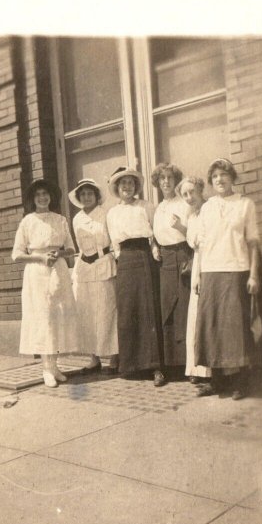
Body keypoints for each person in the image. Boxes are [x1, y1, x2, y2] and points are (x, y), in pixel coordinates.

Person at [194, 158, 260, 399]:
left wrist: (253, 274)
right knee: (212, 328)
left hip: (236, 269)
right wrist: (199, 275)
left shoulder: (245, 205)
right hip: (210, 271)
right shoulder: (207, 207)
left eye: (224, 175)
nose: (219, 180)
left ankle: (241, 382)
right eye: (215, 177)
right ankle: (217, 381)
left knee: (235, 329)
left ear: (233, 178)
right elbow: (201, 244)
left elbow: (253, 242)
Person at [12, 178, 79, 387]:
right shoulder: (28, 222)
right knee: (43, 318)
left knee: (57, 317)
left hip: (58, 271)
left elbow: (71, 248)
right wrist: (40, 258)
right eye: (38, 195)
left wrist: (58, 253)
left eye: (45, 194)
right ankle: (46, 369)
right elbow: (17, 254)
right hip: (37, 274)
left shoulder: (60, 220)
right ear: (33, 199)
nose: (42, 198)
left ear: (51, 197)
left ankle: (55, 366)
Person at [105, 166, 166, 386]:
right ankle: (132, 365)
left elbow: (156, 232)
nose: (127, 187)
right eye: (123, 184)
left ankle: (156, 366)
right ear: (117, 188)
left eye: (130, 183)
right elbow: (113, 241)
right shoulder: (112, 213)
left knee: (148, 308)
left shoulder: (146, 206)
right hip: (125, 260)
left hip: (144, 256)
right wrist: (120, 259)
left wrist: (154, 249)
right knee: (129, 308)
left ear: (135, 186)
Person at [70, 177, 118, 373]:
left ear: (97, 196)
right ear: (79, 198)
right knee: (87, 314)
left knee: (107, 311)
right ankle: (93, 358)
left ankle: (114, 357)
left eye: (90, 193)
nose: (87, 197)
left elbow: (114, 240)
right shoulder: (76, 219)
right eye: (83, 194)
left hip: (104, 265)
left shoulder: (106, 214)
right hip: (84, 268)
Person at [151, 162, 192, 376]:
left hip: (183, 255)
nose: (166, 182)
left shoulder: (184, 204)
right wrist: (155, 245)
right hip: (165, 259)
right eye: (162, 179)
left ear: (175, 180)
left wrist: (180, 227)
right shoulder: (159, 208)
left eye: (169, 178)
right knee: (168, 307)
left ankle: (190, 364)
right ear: (157, 183)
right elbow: (156, 233)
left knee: (184, 306)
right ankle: (173, 364)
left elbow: (193, 233)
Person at [177, 176, 211, 384]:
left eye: (192, 192)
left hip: (212, 260)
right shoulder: (191, 216)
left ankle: (211, 369)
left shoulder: (210, 210)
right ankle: (198, 369)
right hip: (198, 261)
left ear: (200, 190)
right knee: (197, 314)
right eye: (185, 194)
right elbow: (192, 243)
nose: (190, 198)